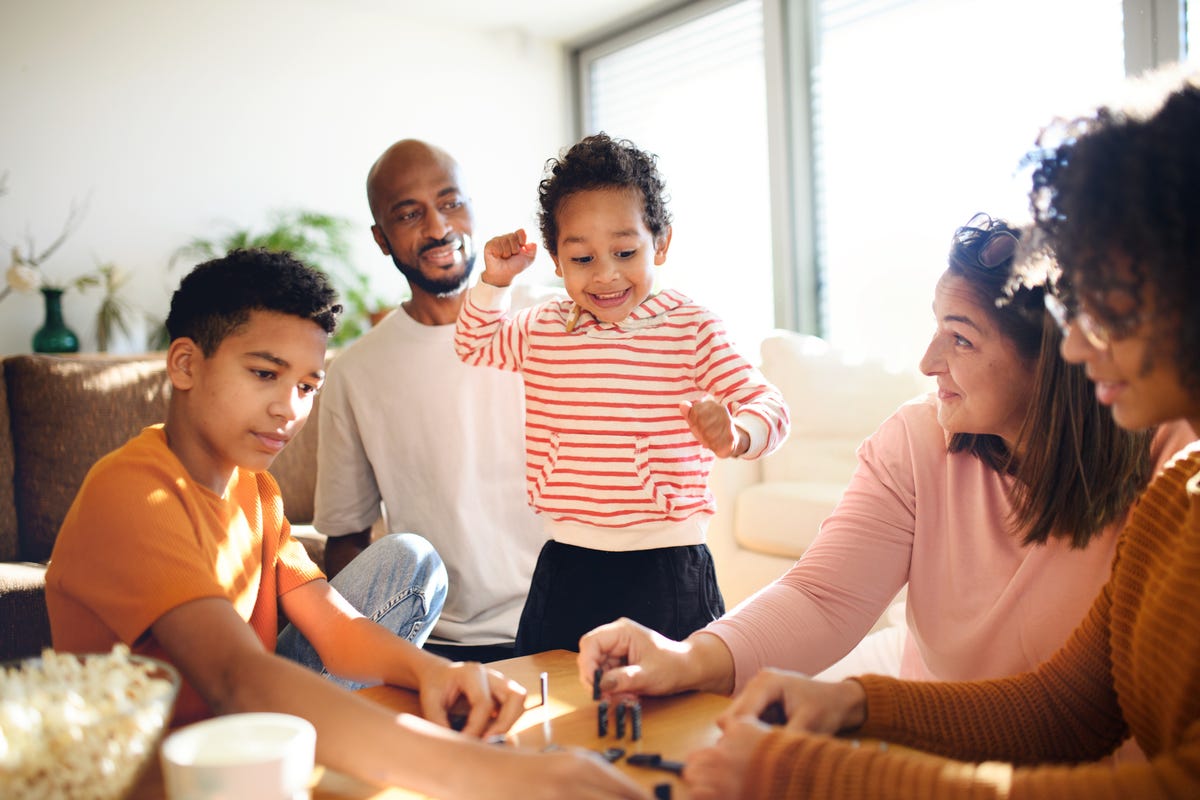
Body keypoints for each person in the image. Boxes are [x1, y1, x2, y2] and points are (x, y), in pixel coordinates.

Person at [681, 64, 1200, 799]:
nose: (1080, 346)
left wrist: (816, 771)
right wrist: (856, 700)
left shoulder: (1165, 473)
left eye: (1108, 303)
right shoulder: (1178, 498)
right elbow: (1067, 709)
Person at [44, 249, 647, 799]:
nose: (290, 409)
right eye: (264, 374)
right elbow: (236, 678)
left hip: (255, 733)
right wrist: (495, 776)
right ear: (185, 364)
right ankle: (379, 748)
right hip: (160, 770)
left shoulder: (255, 488)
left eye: (308, 386)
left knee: (408, 560)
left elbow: (332, 623)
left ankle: (368, 743)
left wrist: (436, 672)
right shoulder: (131, 493)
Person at [580, 212, 1190, 701]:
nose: (928, 362)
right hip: (935, 731)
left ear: (1050, 364)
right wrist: (687, 656)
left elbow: (1100, 704)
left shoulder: (1166, 456)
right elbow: (823, 596)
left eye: (961, 338)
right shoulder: (918, 439)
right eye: (935, 328)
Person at [455, 133, 790, 656]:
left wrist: (736, 433)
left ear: (661, 242)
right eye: (583, 258)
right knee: (555, 707)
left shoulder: (691, 327)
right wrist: (494, 283)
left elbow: (770, 406)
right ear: (556, 260)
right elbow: (474, 345)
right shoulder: (544, 326)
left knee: (680, 711)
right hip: (567, 558)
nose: (606, 274)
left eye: (625, 251)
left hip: (667, 563)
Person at [313, 138, 545, 663]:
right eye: (409, 213)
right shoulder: (354, 373)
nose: (439, 228)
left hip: (575, 622)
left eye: (450, 202)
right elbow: (346, 542)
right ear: (381, 238)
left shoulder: (550, 321)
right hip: (438, 647)